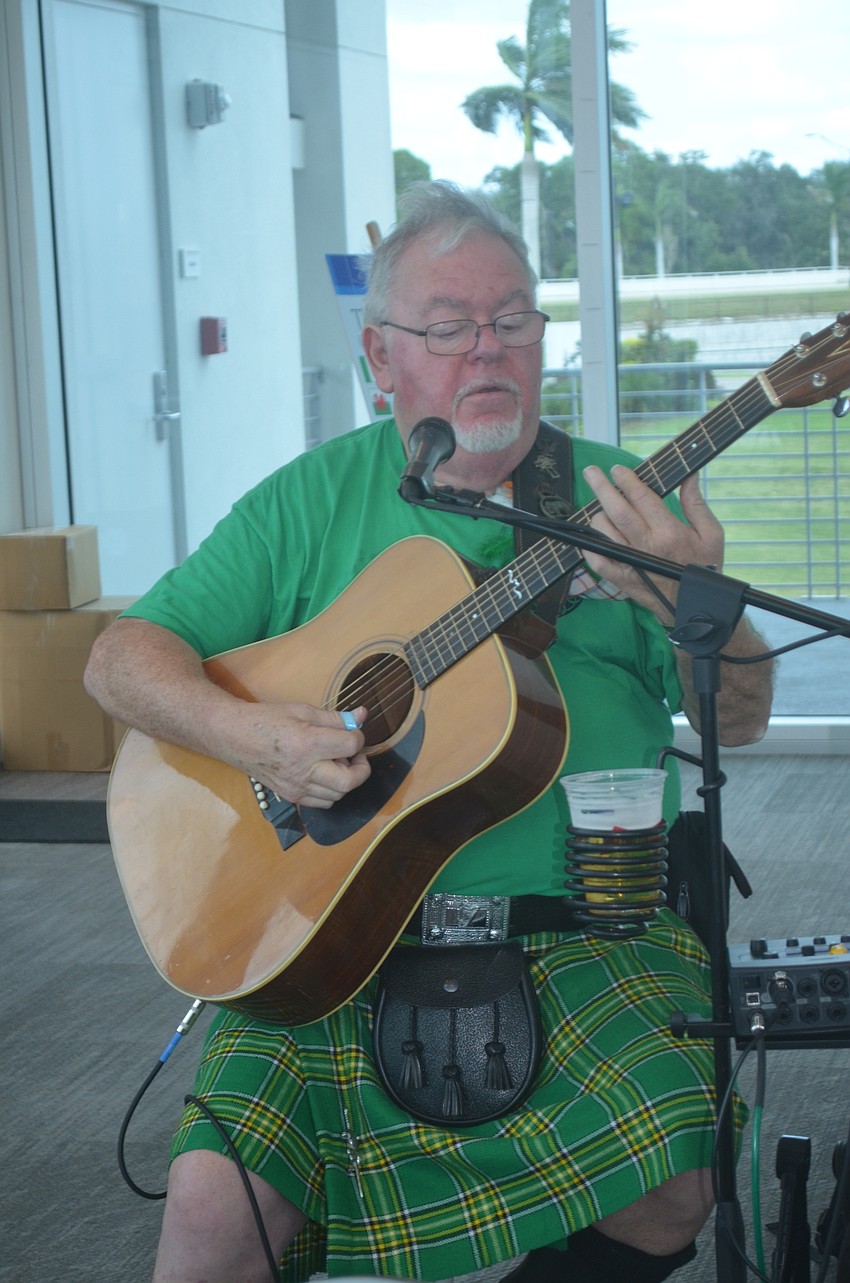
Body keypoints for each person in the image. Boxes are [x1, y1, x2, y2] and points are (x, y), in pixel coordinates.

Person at [85, 180, 773, 1283]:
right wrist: (252, 734)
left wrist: (705, 606)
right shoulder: (308, 500)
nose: (488, 349)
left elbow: (739, 717)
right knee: (211, 1227)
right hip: (324, 934)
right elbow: (121, 658)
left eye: (513, 320)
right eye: (450, 327)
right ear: (381, 356)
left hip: (587, 923)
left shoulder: (619, 497)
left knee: (671, 1182)